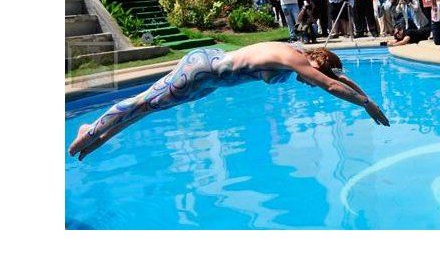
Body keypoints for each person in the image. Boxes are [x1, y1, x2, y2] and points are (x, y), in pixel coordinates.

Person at [68, 44, 389, 160]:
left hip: (207, 81)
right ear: (317, 63)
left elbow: (338, 78)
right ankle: (91, 128)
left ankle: (100, 136)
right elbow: (330, 84)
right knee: (143, 102)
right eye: (314, 75)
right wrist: (366, 105)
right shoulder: (295, 60)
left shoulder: (299, 54)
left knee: (149, 109)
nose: (309, 82)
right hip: (202, 70)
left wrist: (368, 97)